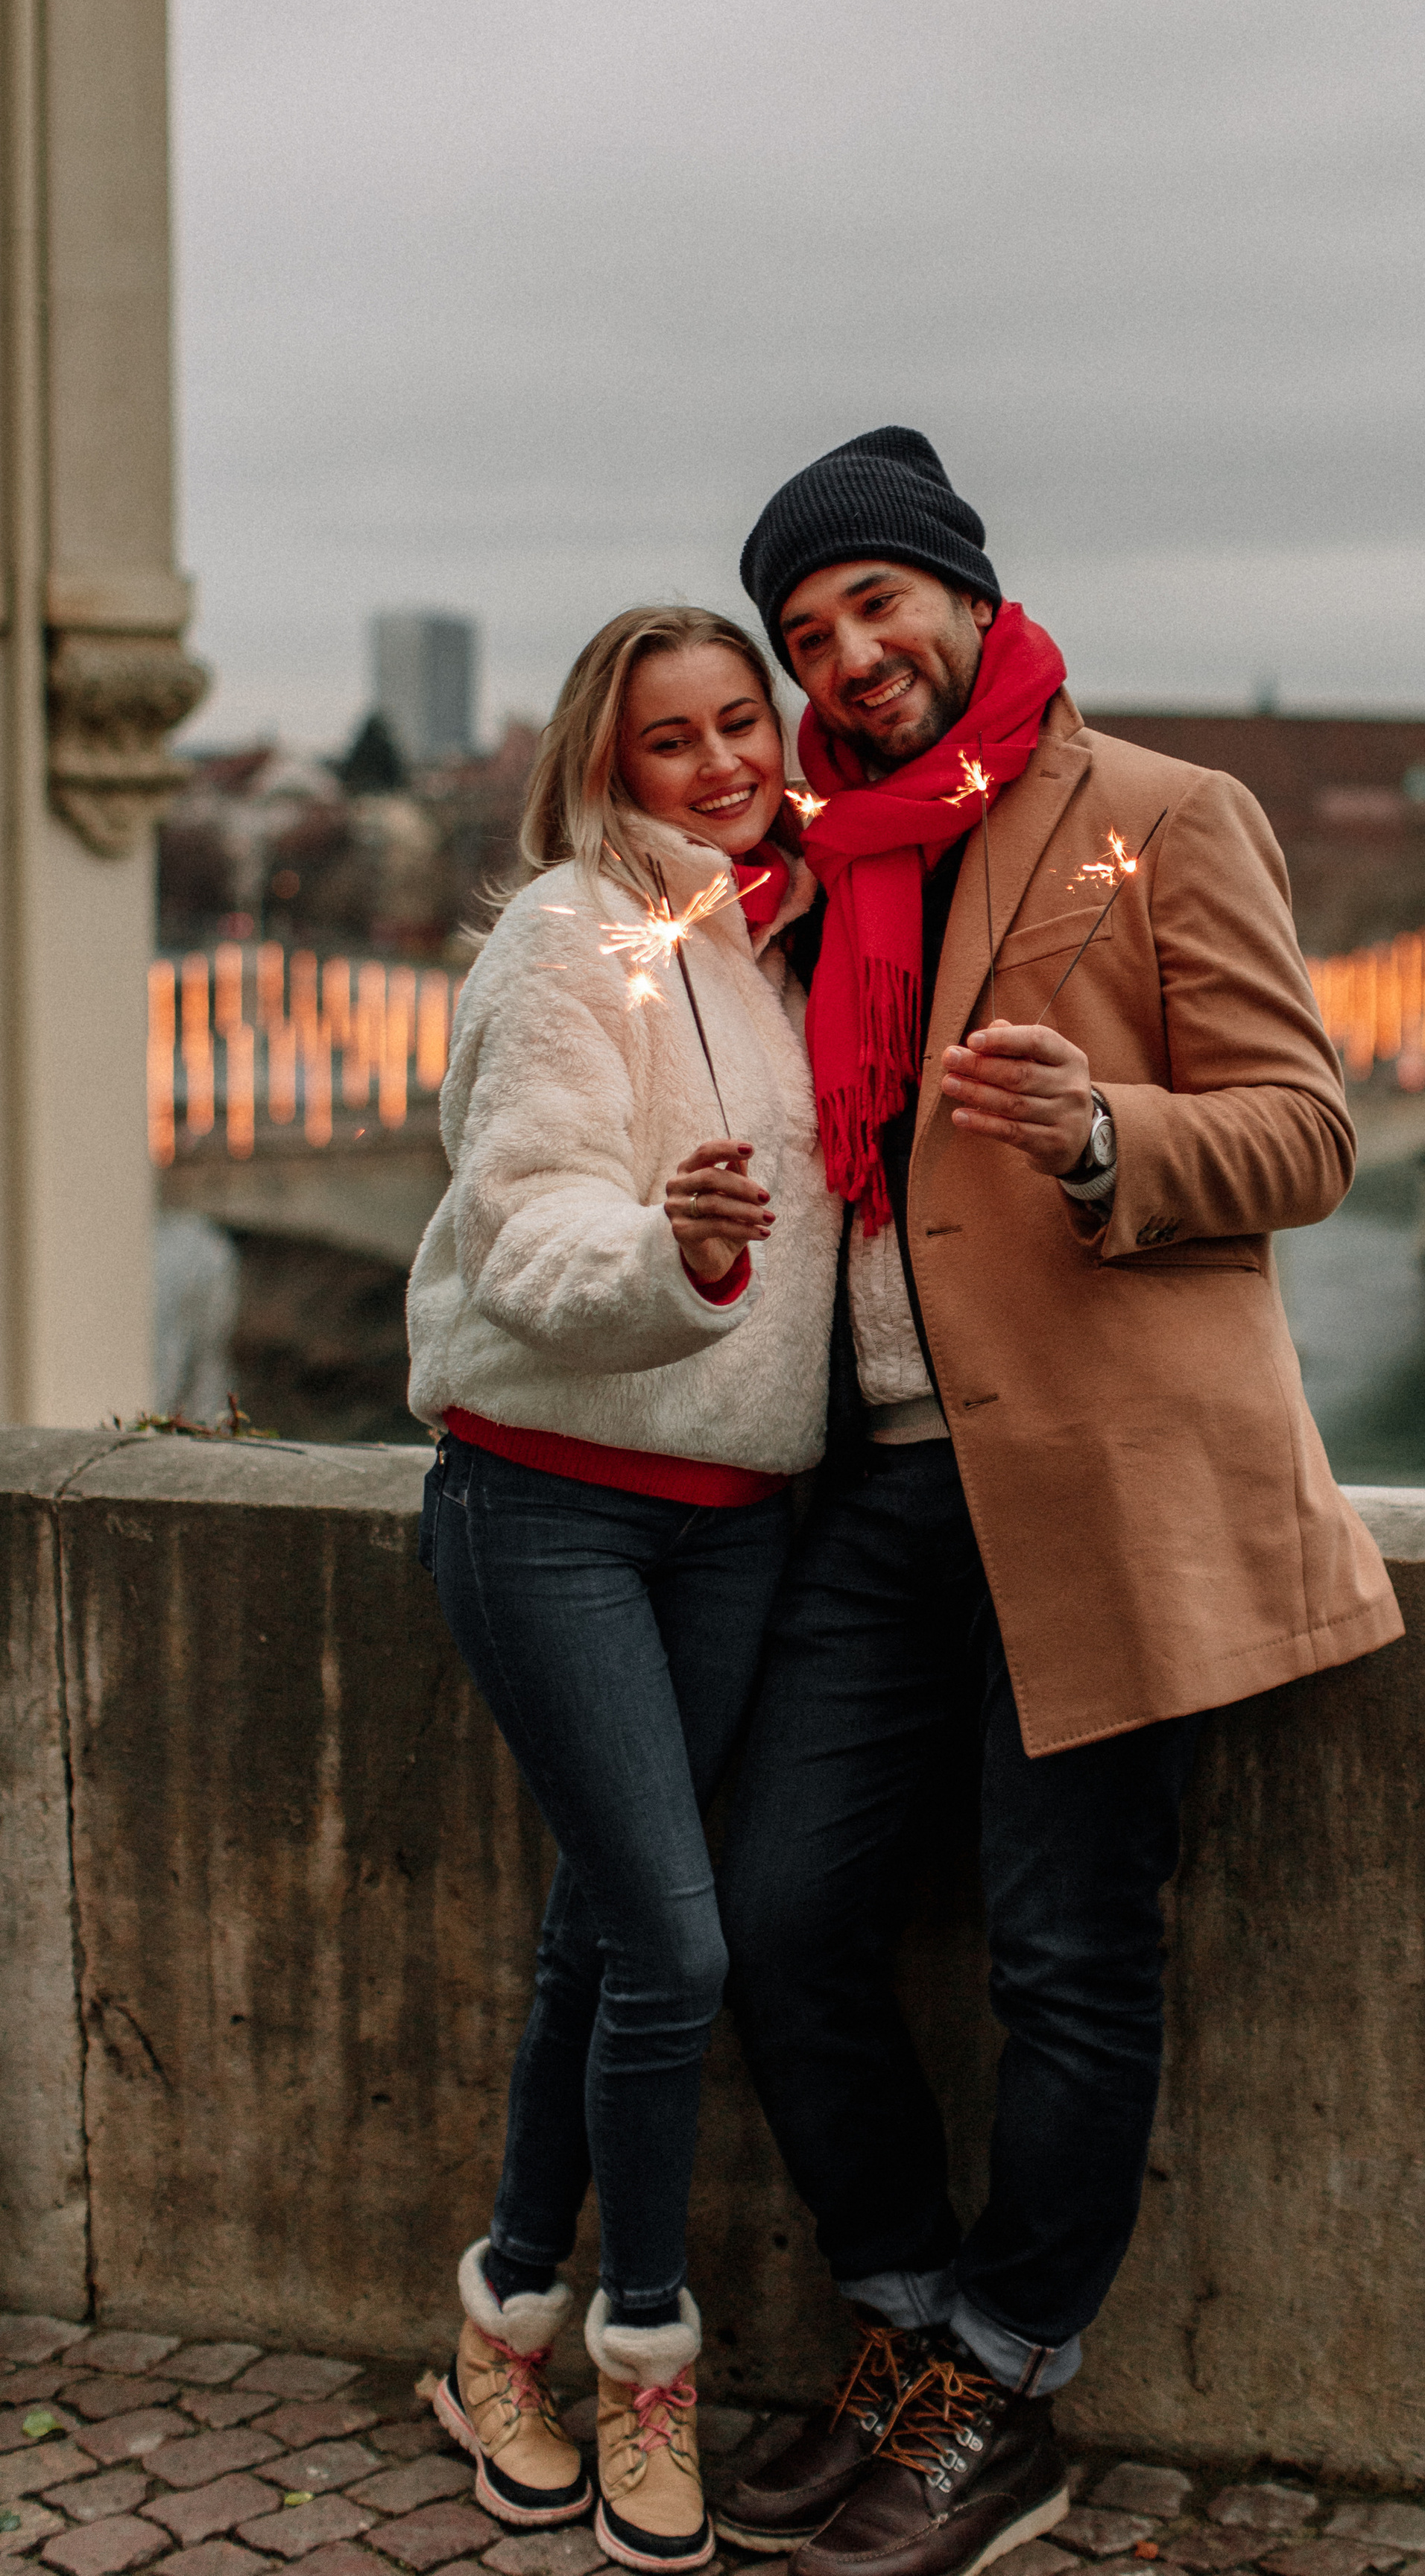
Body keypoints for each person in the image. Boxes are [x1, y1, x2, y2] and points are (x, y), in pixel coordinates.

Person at [712, 431, 1404, 2576]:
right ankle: (911, 2313)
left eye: (873, 606)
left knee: (1066, 1952)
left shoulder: (1164, 818)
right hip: (885, 1493)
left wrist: (1107, 1134)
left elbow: (1302, 1133)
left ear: (963, 595)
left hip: (1092, 1487)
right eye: (807, 632)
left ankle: (1007, 2380)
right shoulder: (815, 863)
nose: (848, 655)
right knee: (777, 1917)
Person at [407, 604, 839, 2573]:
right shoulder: (566, 936)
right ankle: (639, 2358)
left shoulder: (779, 939)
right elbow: (526, 1215)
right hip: (552, 1506)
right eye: (673, 739)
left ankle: (495, 2322)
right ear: (607, 764)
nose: (722, 760)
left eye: (743, 720)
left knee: (607, 1931)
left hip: (739, 1516)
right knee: (673, 1950)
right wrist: (672, 1250)